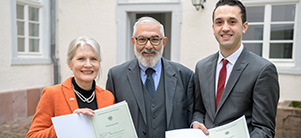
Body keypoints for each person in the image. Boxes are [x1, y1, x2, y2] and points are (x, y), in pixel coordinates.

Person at [192, 0, 279, 137]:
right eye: (219, 22)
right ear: (213, 28)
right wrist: (196, 122)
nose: (225, 28)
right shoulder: (201, 67)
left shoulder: (263, 70)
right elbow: (199, 110)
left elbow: (264, 129)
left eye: (232, 22)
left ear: (244, 27)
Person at [106, 17, 194, 138]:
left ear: (163, 42)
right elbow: (108, 121)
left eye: (155, 39)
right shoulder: (116, 77)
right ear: (133, 42)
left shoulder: (185, 76)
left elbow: (194, 116)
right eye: (142, 39)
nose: (148, 46)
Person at [27, 36, 115, 138]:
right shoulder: (52, 94)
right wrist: (69, 124)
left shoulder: (108, 97)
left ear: (98, 63)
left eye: (93, 59)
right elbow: (33, 136)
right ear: (70, 64)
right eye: (81, 59)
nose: (88, 64)